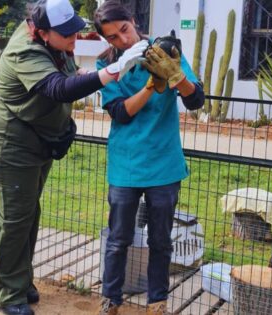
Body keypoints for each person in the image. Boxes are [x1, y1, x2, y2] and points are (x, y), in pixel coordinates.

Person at [0, 0, 148, 313]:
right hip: (9, 143)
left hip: (35, 141)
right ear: (42, 32)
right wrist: (113, 69)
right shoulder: (24, 50)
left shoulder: (53, 41)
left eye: (74, 29)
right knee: (13, 219)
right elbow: (58, 88)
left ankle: (19, 280)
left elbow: (68, 75)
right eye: (67, 33)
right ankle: (5, 292)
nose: (74, 38)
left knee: (28, 215)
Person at [93, 1, 205, 315]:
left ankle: (157, 301)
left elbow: (195, 99)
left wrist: (175, 75)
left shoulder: (167, 52)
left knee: (161, 240)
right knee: (118, 239)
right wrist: (152, 86)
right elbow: (120, 113)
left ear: (133, 21)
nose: (123, 40)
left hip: (164, 165)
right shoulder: (108, 68)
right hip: (126, 166)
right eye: (113, 37)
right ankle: (111, 298)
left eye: (124, 30)